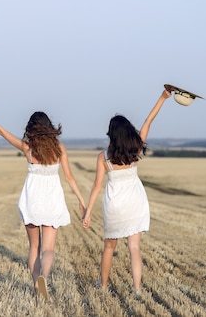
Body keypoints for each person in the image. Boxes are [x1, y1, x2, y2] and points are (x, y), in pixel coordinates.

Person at [0, 110, 86, 300]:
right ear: (49, 128)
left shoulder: (27, 147)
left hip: (32, 200)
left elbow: (0, 130)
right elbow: (70, 177)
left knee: (34, 248)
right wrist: (82, 202)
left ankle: (35, 287)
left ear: (31, 128)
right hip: (52, 201)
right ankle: (44, 277)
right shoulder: (59, 148)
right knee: (48, 249)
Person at [82, 89, 171, 293]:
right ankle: (137, 289)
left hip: (114, 205)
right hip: (135, 203)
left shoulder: (103, 157)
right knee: (134, 248)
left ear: (111, 133)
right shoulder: (135, 148)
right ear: (128, 130)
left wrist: (87, 213)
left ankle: (103, 286)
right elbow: (149, 120)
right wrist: (163, 98)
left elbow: (96, 187)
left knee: (109, 247)